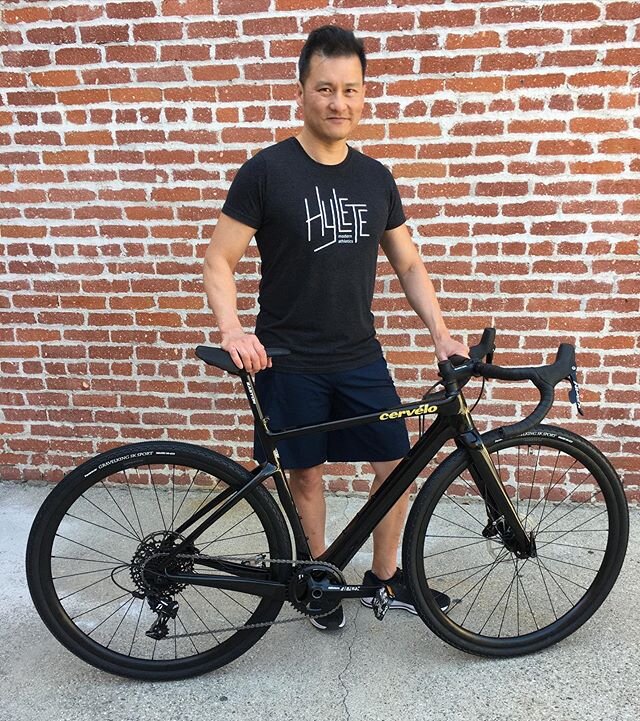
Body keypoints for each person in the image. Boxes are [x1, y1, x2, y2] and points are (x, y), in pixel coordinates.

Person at [203, 25, 469, 630]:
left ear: (364, 93)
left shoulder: (375, 177)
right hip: (288, 359)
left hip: (359, 357)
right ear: (301, 90)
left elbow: (407, 262)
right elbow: (219, 258)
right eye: (325, 88)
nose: (338, 102)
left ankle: (385, 577)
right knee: (304, 477)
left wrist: (441, 334)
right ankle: (317, 580)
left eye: (351, 89)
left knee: (394, 470)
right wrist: (232, 329)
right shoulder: (266, 172)